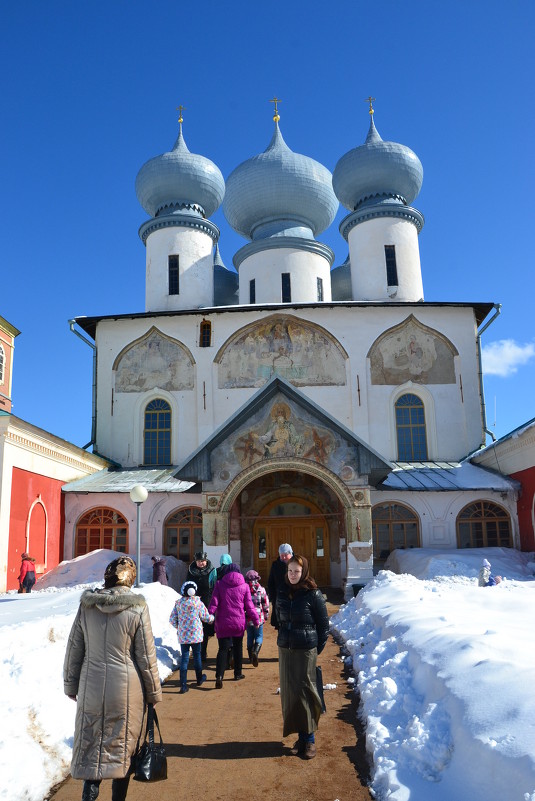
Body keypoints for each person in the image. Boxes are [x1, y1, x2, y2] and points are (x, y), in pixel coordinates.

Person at [63, 556, 162, 801]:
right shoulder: (137, 607)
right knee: (122, 745)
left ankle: (89, 794)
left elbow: (75, 647)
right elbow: (145, 656)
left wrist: (70, 684)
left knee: (92, 742)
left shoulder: (87, 606)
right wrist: (153, 693)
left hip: (91, 685)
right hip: (126, 689)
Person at [276, 553, 329, 760]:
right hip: (286, 648)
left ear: (304, 571)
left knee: (306, 690)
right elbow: (278, 620)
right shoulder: (282, 592)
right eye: (290, 571)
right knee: (291, 692)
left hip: (305, 649)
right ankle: (300, 737)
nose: (292, 575)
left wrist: (315, 649)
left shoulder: (312, 594)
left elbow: (324, 626)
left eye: (296, 571)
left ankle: (310, 740)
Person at [208, 562, 259, 688]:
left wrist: (209, 615)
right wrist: (256, 620)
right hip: (238, 623)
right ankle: (238, 673)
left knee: (223, 650)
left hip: (223, 623)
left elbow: (213, 603)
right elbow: (249, 606)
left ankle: (219, 676)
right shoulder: (244, 586)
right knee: (238, 648)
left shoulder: (219, 584)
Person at [169, 580, 214, 693]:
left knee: (184, 658)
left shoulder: (178, 603)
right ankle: (199, 678)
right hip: (196, 635)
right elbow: (205, 617)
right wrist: (212, 619)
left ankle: (183, 684)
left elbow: (172, 619)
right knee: (197, 656)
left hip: (183, 636)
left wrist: (179, 627)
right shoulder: (198, 602)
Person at [187, 550, 218, 662]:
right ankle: (198, 651)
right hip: (194, 603)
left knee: (205, 629)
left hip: (207, 602)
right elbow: (187, 585)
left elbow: (215, 586)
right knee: (196, 628)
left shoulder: (212, 571)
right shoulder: (191, 571)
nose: (201, 563)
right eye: (199, 561)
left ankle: (202, 651)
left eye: (203, 561)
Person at [245, 569, 270, 667]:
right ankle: (255, 652)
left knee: (250, 636)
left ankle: (250, 657)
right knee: (259, 636)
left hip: (248, 617)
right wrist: (266, 614)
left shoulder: (244, 589)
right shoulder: (261, 589)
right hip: (259, 617)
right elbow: (265, 603)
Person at [267, 543, 293, 629]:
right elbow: (271, 582)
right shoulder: (275, 565)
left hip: (293, 599)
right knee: (281, 625)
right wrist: (273, 597)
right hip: (279, 600)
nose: (284, 557)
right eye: (282, 555)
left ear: (291, 554)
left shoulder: (296, 563)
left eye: (286, 555)